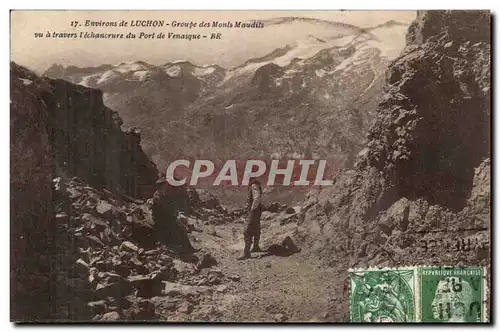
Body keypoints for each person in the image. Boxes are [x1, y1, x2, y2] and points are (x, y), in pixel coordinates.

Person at [238, 178, 263, 260]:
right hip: (257, 210)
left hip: (254, 211)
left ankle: (246, 252)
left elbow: (257, 197)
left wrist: (252, 209)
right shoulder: (256, 185)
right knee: (256, 228)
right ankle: (256, 246)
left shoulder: (254, 185)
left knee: (247, 230)